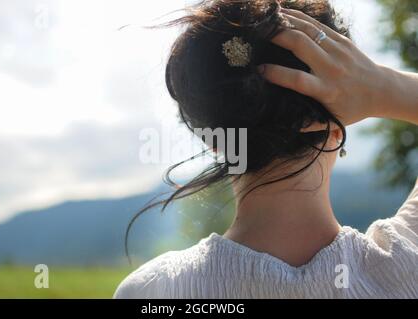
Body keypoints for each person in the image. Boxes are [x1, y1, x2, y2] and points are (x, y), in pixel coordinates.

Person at [115, 0, 418, 298]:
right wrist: (382, 86)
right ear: (338, 128)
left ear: (214, 141)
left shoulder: (154, 290)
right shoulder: (405, 266)